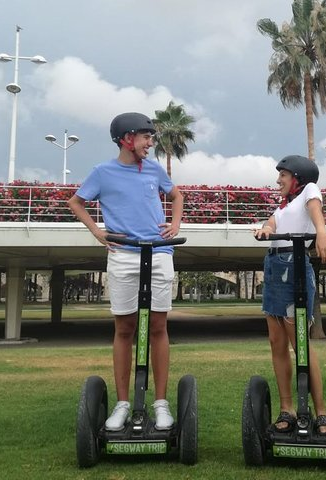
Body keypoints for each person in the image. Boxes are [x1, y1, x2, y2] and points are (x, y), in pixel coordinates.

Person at [67, 112, 183, 431]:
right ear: (127, 139)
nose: (150, 143)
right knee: (124, 328)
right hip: (122, 255)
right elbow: (75, 202)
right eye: (146, 137)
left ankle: (160, 403)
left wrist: (174, 224)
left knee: (158, 326)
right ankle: (122, 403)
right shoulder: (103, 172)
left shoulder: (155, 170)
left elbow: (176, 196)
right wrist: (97, 231)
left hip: (158, 253)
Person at [253, 155, 326, 435]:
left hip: (295, 266)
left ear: (298, 179)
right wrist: (264, 230)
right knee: (276, 343)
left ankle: (321, 411)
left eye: (284, 176)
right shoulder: (283, 207)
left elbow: (315, 211)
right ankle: (287, 408)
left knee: (299, 343)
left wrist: (322, 233)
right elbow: (271, 225)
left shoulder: (309, 193)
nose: (278, 180)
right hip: (274, 266)